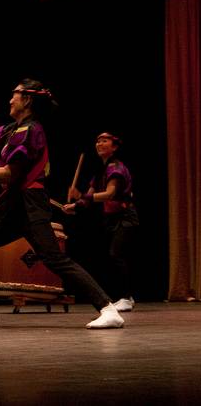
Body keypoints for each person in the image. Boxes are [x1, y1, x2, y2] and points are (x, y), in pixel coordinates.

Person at [0, 78, 124, 329]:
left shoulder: (29, 132)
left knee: (53, 258)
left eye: (14, 94)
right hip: (15, 203)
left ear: (26, 99)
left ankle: (107, 307)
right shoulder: (14, 129)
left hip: (29, 202)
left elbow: (8, 174)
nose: (9, 99)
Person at [64, 132, 139, 312]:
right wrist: (75, 205)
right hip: (110, 218)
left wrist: (80, 196)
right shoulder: (99, 171)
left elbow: (109, 194)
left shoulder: (116, 168)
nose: (99, 143)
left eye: (104, 141)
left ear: (114, 147)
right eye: (97, 141)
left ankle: (126, 298)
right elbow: (89, 197)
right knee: (113, 257)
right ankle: (124, 296)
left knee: (116, 255)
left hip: (125, 217)